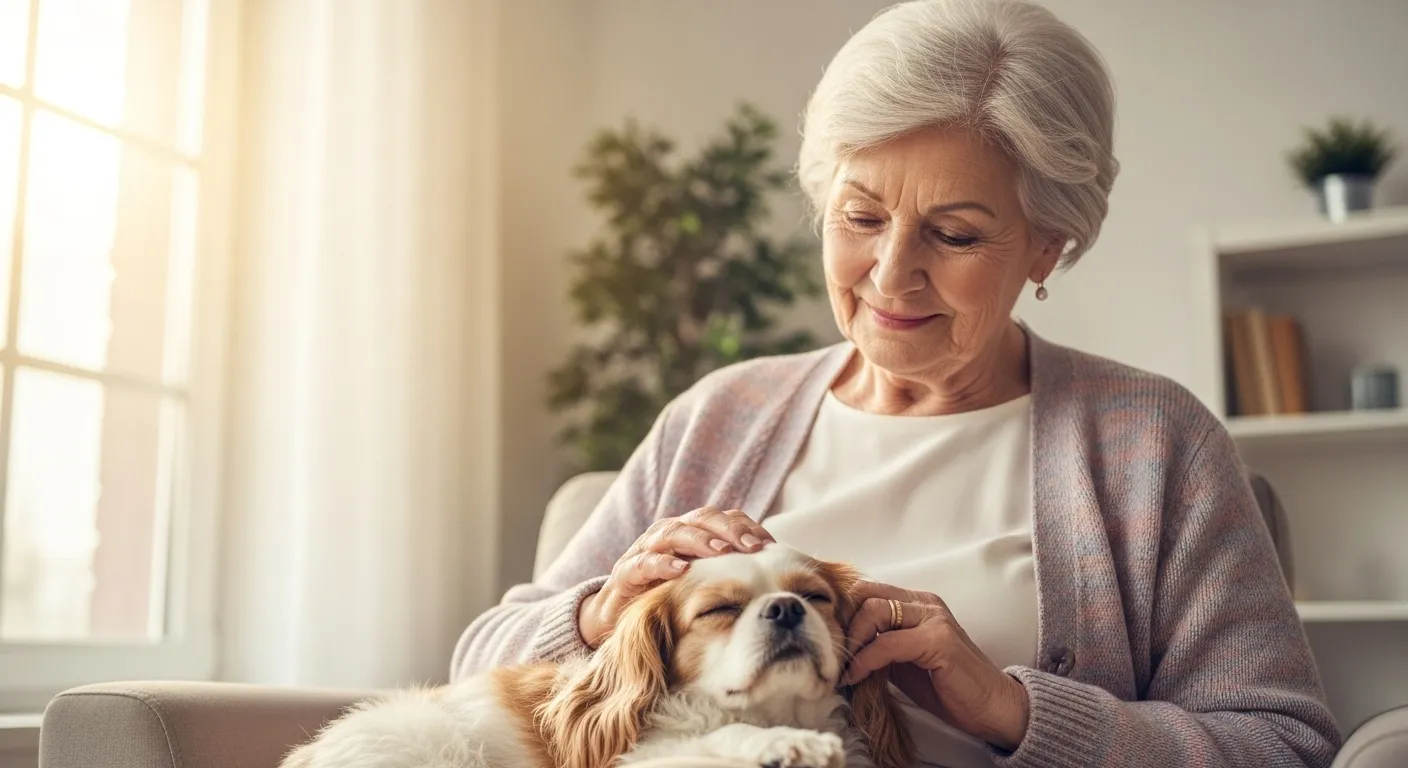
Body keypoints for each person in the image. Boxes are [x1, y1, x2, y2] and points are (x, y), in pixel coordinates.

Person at [452, 1, 1341, 765]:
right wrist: (600, 615)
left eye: (952, 234)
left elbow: (1280, 743)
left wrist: (1014, 711)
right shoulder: (721, 417)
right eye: (861, 217)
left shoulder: (1152, 442)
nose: (890, 274)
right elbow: (475, 667)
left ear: (1048, 245)